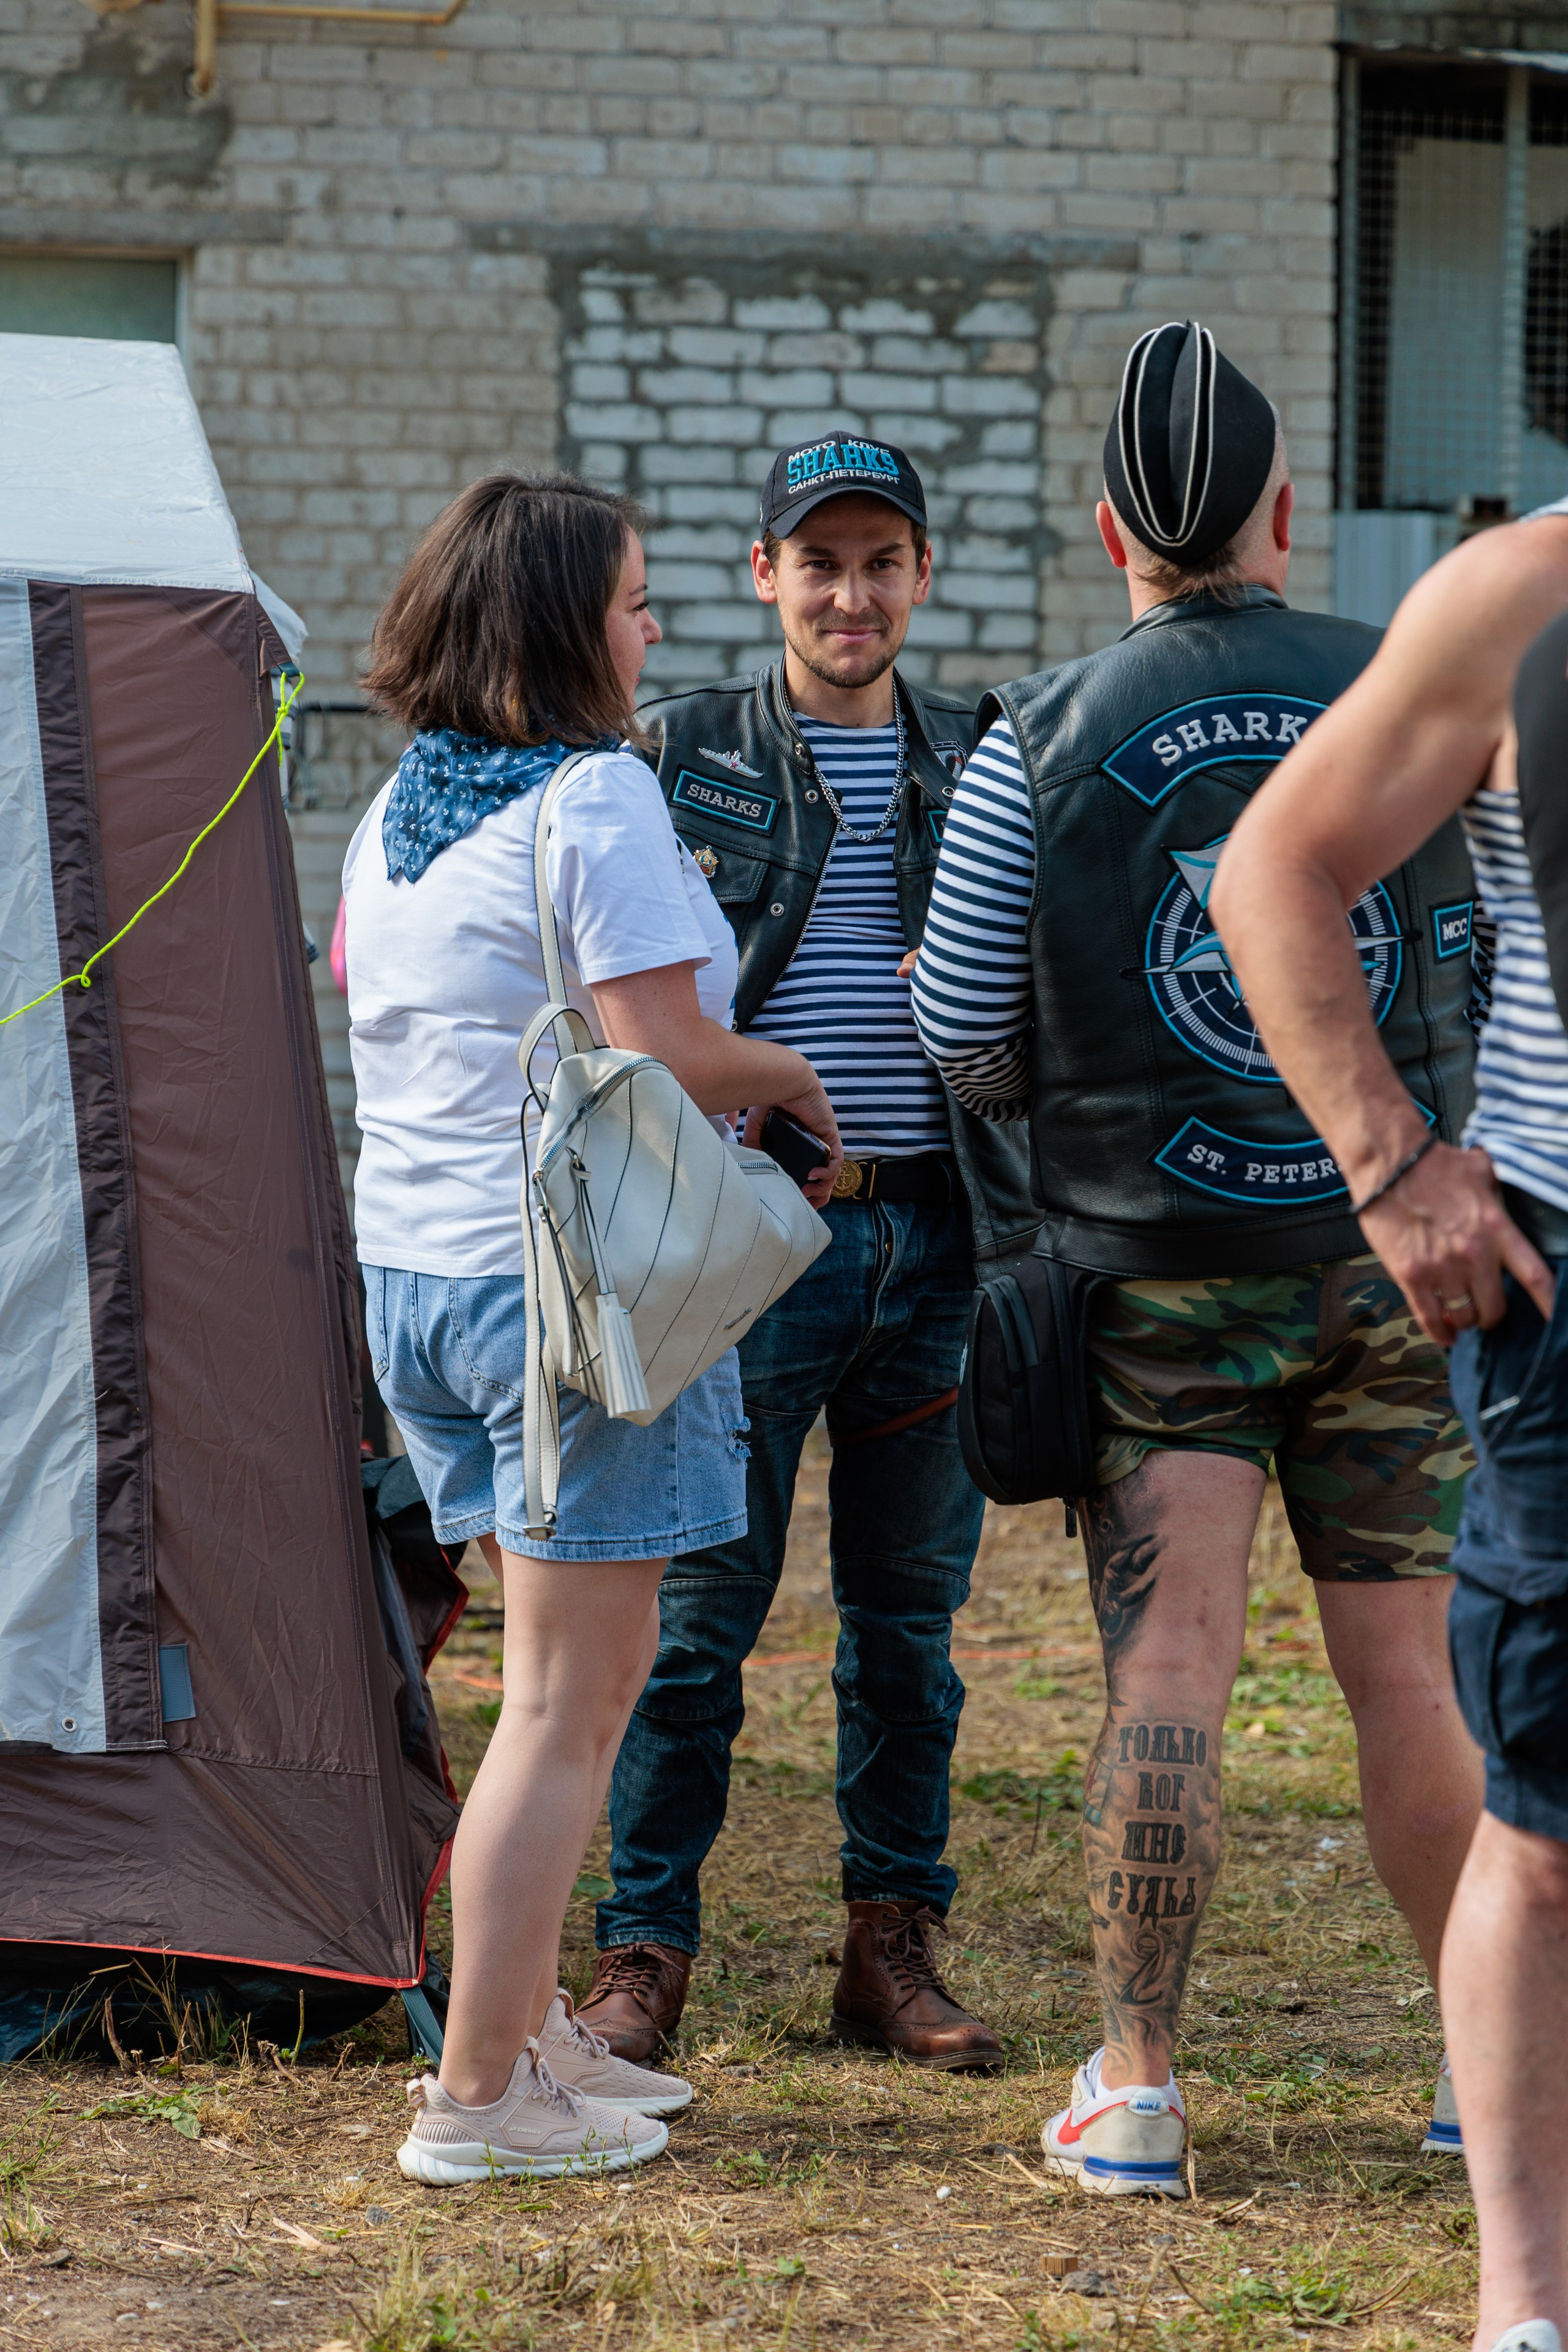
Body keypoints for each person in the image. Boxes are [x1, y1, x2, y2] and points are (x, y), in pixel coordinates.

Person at [910, 321, 1485, 2194]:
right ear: (1286, 519)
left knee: (1170, 1669)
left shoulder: (1036, 731)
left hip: (1153, 1268)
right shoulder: (1405, 685)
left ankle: (1139, 2089)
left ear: (1108, 535)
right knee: (1411, 1676)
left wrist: (1092, 1105)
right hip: (1382, 1248)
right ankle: (1491, 2079)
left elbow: (958, 1027)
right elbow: (1472, 964)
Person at [342, 472, 842, 2181]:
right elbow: (669, 1050)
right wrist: (800, 1081)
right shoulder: (597, 795)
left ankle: (525, 2033)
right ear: (566, 625)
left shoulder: (406, 798)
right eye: (632, 602)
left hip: (419, 1280)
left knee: (537, 1688)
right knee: (571, 1700)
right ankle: (479, 2101)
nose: (654, 629)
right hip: (559, 1299)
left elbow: (393, 1002)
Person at [575, 435, 1038, 2070]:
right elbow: (592, 980)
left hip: (936, 1237)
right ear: (765, 574)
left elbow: (1030, 1006)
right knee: (702, 1617)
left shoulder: (991, 758)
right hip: (746, 1240)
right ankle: (644, 1954)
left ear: (922, 578)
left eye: (883, 561)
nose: (854, 594)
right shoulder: (673, 752)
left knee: (907, 1628)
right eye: (820, 562)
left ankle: (888, 1949)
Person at [1213, 508, 1568, 2352]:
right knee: (1552, 1813)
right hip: (1560, 1287)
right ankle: (1529, 2307)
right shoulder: (1523, 592)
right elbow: (1273, 867)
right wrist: (1392, 1163)